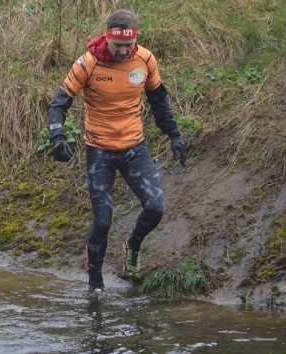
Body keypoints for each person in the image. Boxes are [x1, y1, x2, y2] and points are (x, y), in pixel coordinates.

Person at [47, 8, 187, 292]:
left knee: (156, 207)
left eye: (129, 45)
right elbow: (59, 103)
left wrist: (174, 135)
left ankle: (133, 245)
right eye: (118, 45)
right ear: (107, 38)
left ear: (135, 40)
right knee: (102, 221)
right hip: (100, 151)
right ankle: (95, 284)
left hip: (135, 148)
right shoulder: (88, 63)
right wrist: (57, 136)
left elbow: (159, 100)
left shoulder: (145, 59)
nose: (124, 51)